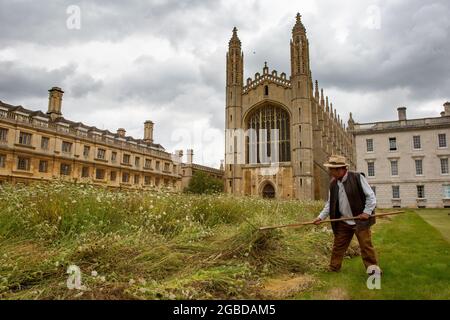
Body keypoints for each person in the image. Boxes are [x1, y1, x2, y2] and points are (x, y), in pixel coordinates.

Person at [313, 155, 380, 274]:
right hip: (344, 221)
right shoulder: (333, 184)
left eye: (331, 170)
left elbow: (371, 197)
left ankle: (373, 270)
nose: (330, 172)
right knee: (338, 246)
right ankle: (334, 268)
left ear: (341, 169)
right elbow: (330, 203)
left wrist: (366, 212)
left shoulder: (357, 177)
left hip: (360, 220)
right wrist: (320, 217)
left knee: (366, 246)